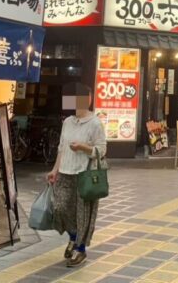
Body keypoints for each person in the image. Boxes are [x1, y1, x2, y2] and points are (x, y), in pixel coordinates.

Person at [47, 86, 107, 267]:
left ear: (88, 99)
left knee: (82, 215)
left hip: (84, 174)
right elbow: (61, 148)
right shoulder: (67, 122)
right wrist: (54, 170)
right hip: (65, 172)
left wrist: (82, 147)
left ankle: (80, 250)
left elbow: (101, 150)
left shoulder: (95, 123)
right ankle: (73, 237)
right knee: (60, 208)